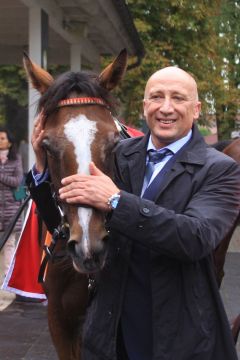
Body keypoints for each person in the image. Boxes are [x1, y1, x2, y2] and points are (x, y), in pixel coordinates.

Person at [28, 67, 240, 360]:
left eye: (178, 98)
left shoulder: (221, 170)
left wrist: (115, 200)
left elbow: (196, 238)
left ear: (197, 109)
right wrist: (42, 167)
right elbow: (65, 226)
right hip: (113, 331)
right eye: (156, 97)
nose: (166, 107)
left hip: (176, 332)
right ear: (144, 106)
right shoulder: (116, 153)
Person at [0, 127, 23, 278]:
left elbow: (17, 182)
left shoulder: (16, 159)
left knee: (8, 246)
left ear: (9, 143)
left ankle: (8, 282)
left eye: (2, 138)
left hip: (11, 211)